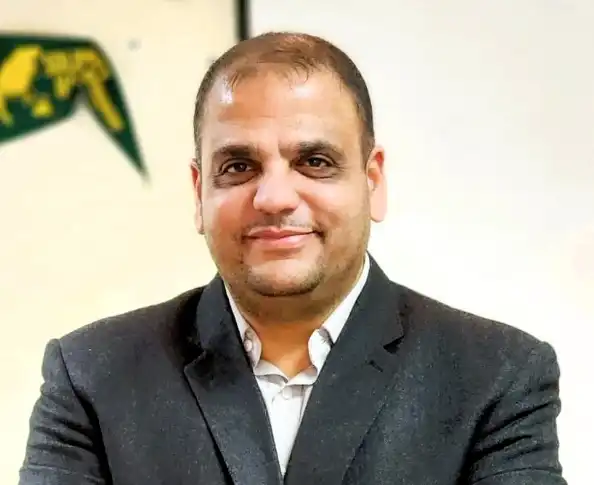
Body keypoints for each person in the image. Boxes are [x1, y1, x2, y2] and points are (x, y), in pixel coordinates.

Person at [19, 32, 566, 485]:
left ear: (372, 181)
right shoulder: (91, 376)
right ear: (199, 192)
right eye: (238, 167)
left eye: (315, 161)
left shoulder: (497, 377)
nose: (275, 197)